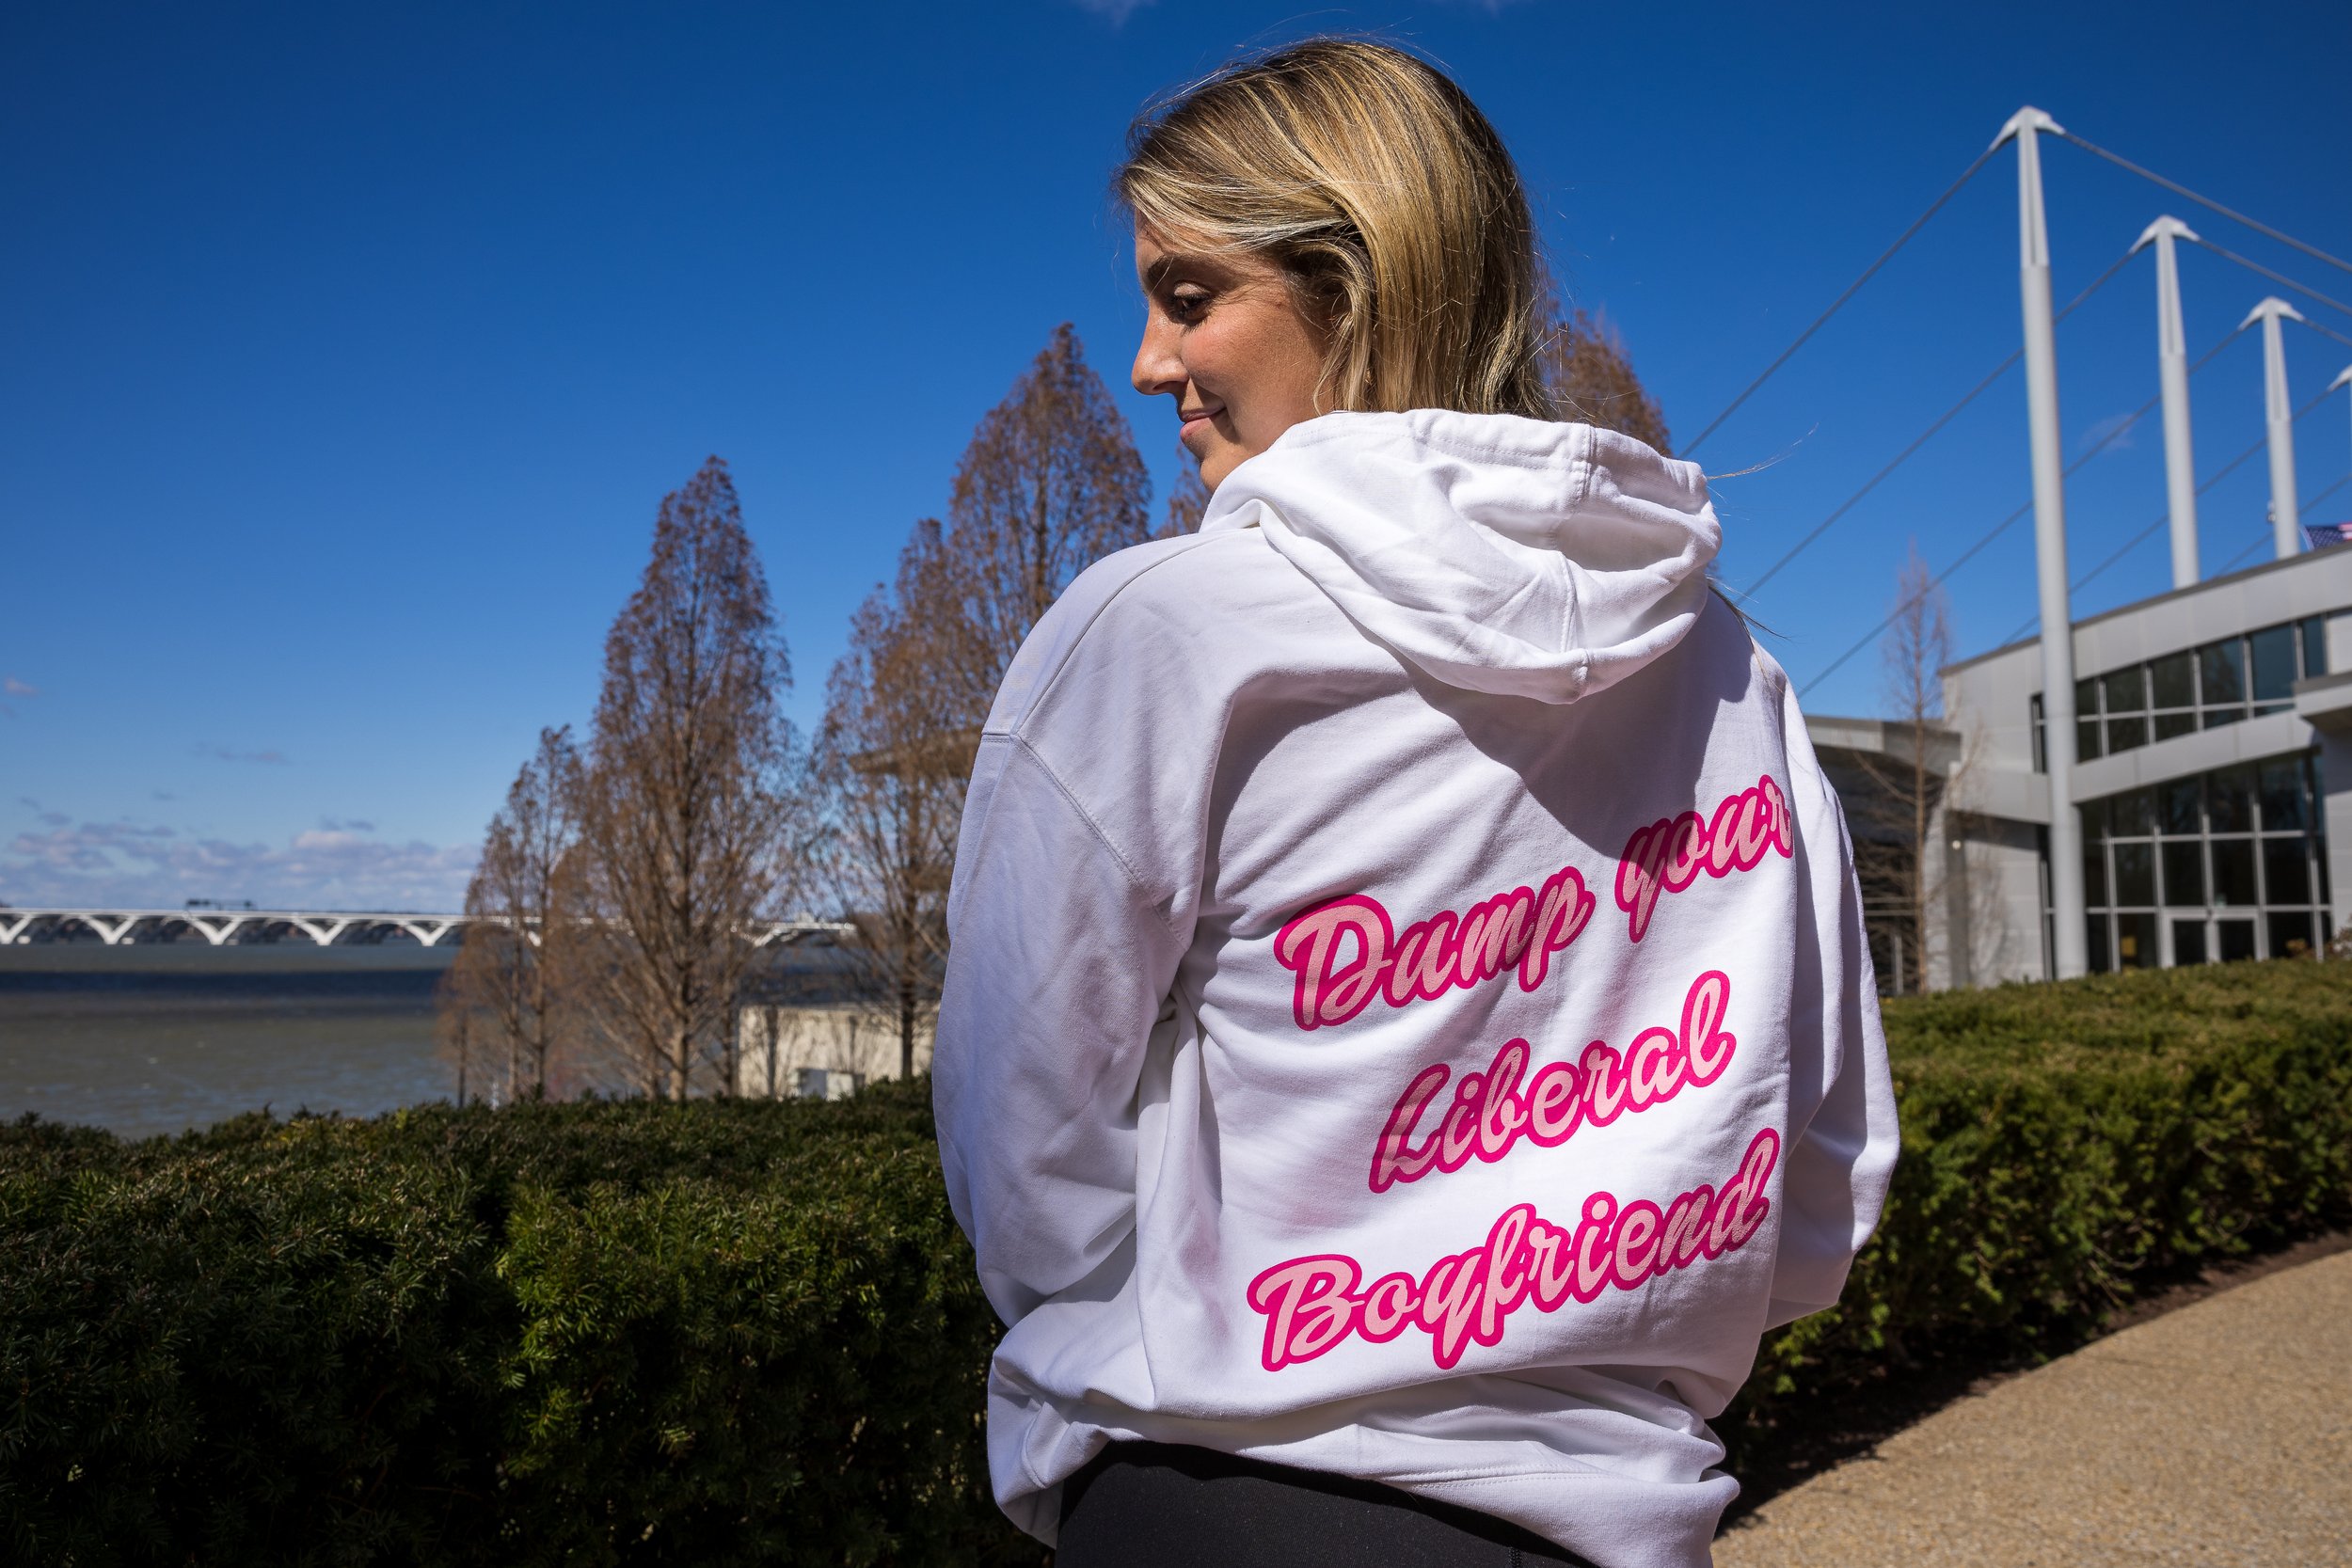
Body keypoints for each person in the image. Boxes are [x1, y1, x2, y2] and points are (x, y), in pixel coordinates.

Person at [930, 38, 1898, 1568]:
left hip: (1216, 1503)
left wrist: (1235, 1317)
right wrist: (1582, 1339)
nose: (1146, 363)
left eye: (1189, 297)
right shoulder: (1736, 676)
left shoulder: (1167, 630)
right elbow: (1824, 1185)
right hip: (1618, 1529)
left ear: (1357, 283)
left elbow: (1026, 1158)